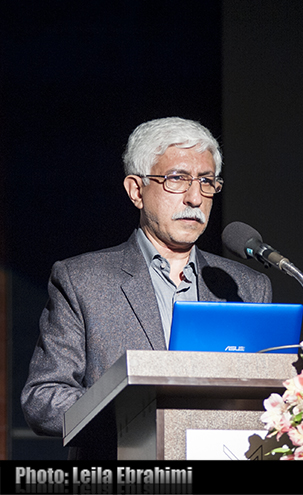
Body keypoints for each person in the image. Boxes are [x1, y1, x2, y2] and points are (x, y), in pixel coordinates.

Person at [21, 117, 272, 459]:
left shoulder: (245, 287)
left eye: (206, 181)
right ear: (136, 191)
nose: (195, 198)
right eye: (177, 179)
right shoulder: (82, 280)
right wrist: (137, 411)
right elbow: (43, 400)